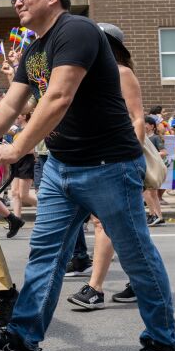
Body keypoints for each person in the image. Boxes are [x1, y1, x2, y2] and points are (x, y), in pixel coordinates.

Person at [0, 0, 175, 351]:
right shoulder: (34, 50)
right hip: (62, 168)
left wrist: (16, 148)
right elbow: (13, 103)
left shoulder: (78, 31)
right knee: (45, 256)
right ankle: (21, 341)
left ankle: (163, 345)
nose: (17, 1)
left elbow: (60, 96)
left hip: (110, 166)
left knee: (137, 257)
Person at [64, 22, 146, 311]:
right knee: (125, 229)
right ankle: (139, 281)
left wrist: (128, 159)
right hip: (89, 160)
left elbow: (137, 118)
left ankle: (95, 288)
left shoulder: (123, 73)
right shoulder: (87, 76)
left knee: (105, 224)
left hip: (116, 161)